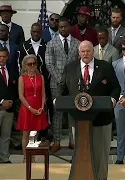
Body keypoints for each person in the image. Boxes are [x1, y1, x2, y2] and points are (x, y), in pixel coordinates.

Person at [58, 40, 120, 180]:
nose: (85, 54)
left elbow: (116, 87)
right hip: (78, 119)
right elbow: (62, 87)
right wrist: (58, 98)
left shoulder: (105, 66)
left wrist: (113, 99)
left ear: (94, 51)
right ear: (79, 52)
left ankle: (100, 178)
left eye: (88, 51)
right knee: (81, 152)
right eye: (83, 51)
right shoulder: (70, 67)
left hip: (101, 120)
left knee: (100, 154)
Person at [45, 17, 80, 152]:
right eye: (61, 27)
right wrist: (61, 79)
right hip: (56, 83)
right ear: (58, 28)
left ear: (70, 27)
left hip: (73, 84)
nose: (63, 29)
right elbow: (49, 63)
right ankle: (57, 141)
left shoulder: (77, 43)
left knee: (73, 112)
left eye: (65, 26)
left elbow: (79, 63)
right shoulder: (51, 43)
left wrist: (71, 80)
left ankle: (73, 140)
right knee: (57, 113)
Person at [19, 23, 52, 141]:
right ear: (31, 32)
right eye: (34, 31)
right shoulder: (23, 45)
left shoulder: (47, 45)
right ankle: (26, 155)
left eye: (38, 32)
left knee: (45, 109)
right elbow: (20, 64)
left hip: (43, 81)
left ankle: (42, 139)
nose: (36, 33)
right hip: (27, 82)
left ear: (41, 32)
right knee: (27, 129)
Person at [17, 54, 48, 162]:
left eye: (34, 63)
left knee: (35, 133)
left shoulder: (40, 76)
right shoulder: (22, 77)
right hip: (27, 108)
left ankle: (33, 155)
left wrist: (42, 107)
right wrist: (30, 108)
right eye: (30, 64)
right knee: (26, 132)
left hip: (38, 107)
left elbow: (43, 94)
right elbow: (21, 95)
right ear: (25, 65)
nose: (32, 66)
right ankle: (26, 156)